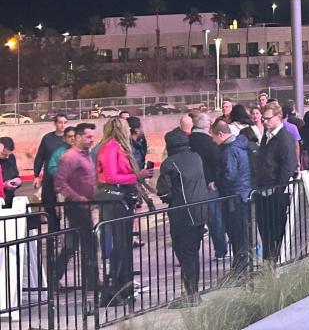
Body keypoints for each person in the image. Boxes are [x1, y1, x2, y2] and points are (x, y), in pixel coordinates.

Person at [96, 117, 153, 307]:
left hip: (121, 198)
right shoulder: (111, 148)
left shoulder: (117, 147)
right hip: (114, 199)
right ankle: (116, 290)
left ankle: (124, 287)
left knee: (124, 244)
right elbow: (112, 176)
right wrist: (137, 175)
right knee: (120, 244)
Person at [157, 129, 207, 308]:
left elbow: (164, 192)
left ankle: (191, 294)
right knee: (193, 254)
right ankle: (194, 293)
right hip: (201, 211)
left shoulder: (169, 163)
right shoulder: (196, 157)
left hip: (183, 214)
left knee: (185, 254)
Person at [53, 123, 97, 291]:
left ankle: (57, 278)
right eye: (88, 137)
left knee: (76, 244)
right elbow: (60, 183)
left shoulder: (87, 155)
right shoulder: (70, 157)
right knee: (87, 243)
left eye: (92, 136)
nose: (92, 140)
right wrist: (79, 198)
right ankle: (90, 281)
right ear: (78, 137)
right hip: (76, 207)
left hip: (85, 205)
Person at [254, 102, 298, 264]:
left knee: (276, 229)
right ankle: (268, 260)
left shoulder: (284, 137)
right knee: (265, 229)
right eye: (263, 119)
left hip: (275, 191)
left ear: (278, 117)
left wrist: (279, 189)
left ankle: (277, 261)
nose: (264, 122)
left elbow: (288, 165)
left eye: (267, 119)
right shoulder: (268, 135)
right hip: (263, 189)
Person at [211, 119, 252, 277]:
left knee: (237, 234)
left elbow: (230, 174)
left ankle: (240, 269)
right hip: (243, 193)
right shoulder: (240, 146)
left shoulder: (229, 150)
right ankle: (241, 266)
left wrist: (217, 183)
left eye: (214, 137)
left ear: (220, 134)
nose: (213, 141)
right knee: (241, 234)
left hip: (234, 196)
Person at [188, 113, 228, 259]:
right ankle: (220, 250)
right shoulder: (210, 142)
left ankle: (190, 254)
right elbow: (218, 162)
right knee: (215, 219)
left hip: (192, 186)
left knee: (194, 220)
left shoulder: (188, 140)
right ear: (207, 125)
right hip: (210, 185)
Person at [34, 113, 68, 232]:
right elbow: (40, 157)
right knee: (49, 205)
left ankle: (65, 233)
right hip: (49, 179)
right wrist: (36, 175)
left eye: (65, 122)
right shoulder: (47, 138)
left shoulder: (70, 139)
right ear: (55, 123)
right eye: (60, 122)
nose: (62, 125)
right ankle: (53, 231)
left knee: (64, 208)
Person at [46, 126, 77, 190]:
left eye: (74, 136)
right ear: (64, 138)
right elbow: (51, 168)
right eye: (70, 136)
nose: (73, 138)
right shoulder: (59, 153)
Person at [0, 137, 20, 209]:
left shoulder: (11, 157)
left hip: (9, 199)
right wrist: (3, 185)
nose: (7, 157)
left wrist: (17, 181)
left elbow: (15, 174)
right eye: (4, 154)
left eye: (9, 154)